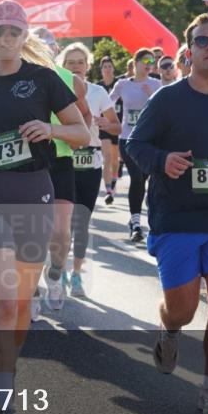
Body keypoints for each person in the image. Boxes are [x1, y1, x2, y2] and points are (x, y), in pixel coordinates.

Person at [0, 0, 88, 414]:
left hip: (35, 194)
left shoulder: (43, 79)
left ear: (24, 35)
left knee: (24, 307)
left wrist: (50, 130)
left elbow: (82, 133)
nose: (6, 39)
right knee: (5, 304)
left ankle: (6, 374)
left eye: (14, 32)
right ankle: (4, 406)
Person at [127, 14, 208, 414]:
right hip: (176, 215)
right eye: (202, 41)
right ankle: (170, 329)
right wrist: (163, 160)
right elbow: (135, 145)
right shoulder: (168, 99)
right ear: (189, 51)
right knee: (183, 307)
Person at [31, 27, 93, 317]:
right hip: (27, 161)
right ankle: (30, 290)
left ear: (56, 49)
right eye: (38, 43)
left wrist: (74, 138)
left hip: (60, 158)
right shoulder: (16, 77)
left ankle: (55, 275)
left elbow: (86, 116)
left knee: (59, 232)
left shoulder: (70, 79)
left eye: (49, 44)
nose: (44, 48)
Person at [58, 43, 120, 297]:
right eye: (71, 62)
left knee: (81, 223)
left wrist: (106, 123)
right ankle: (59, 270)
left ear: (87, 65)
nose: (76, 66)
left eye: (80, 61)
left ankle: (76, 275)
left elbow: (117, 127)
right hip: (62, 161)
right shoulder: (56, 89)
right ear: (63, 65)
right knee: (61, 225)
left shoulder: (96, 92)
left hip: (90, 162)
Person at [109, 48, 159, 244]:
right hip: (127, 139)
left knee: (146, 180)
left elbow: (165, 109)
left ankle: (142, 219)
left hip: (150, 141)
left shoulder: (155, 84)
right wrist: (106, 120)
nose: (149, 65)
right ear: (135, 62)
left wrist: (152, 95)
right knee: (137, 178)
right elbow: (107, 102)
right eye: (145, 60)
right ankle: (136, 224)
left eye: (152, 61)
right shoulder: (122, 84)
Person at [97, 56, 122, 204]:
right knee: (106, 158)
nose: (107, 69)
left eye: (109, 66)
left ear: (113, 68)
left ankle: (113, 182)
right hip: (103, 126)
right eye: (104, 67)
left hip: (117, 125)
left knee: (114, 158)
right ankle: (108, 190)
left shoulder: (120, 85)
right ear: (101, 70)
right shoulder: (98, 87)